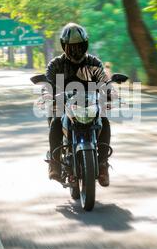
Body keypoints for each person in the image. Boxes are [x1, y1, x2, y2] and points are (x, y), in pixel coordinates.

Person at [45, 22, 111, 187]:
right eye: (71, 47)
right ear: (64, 47)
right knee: (55, 122)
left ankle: (102, 165)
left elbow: (104, 82)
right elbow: (48, 84)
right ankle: (55, 164)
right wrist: (48, 94)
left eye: (79, 46)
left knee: (105, 121)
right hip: (64, 106)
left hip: (89, 106)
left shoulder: (94, 64)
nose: (76, 50)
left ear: (85, 45)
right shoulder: (55, 65)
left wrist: (109, 93)